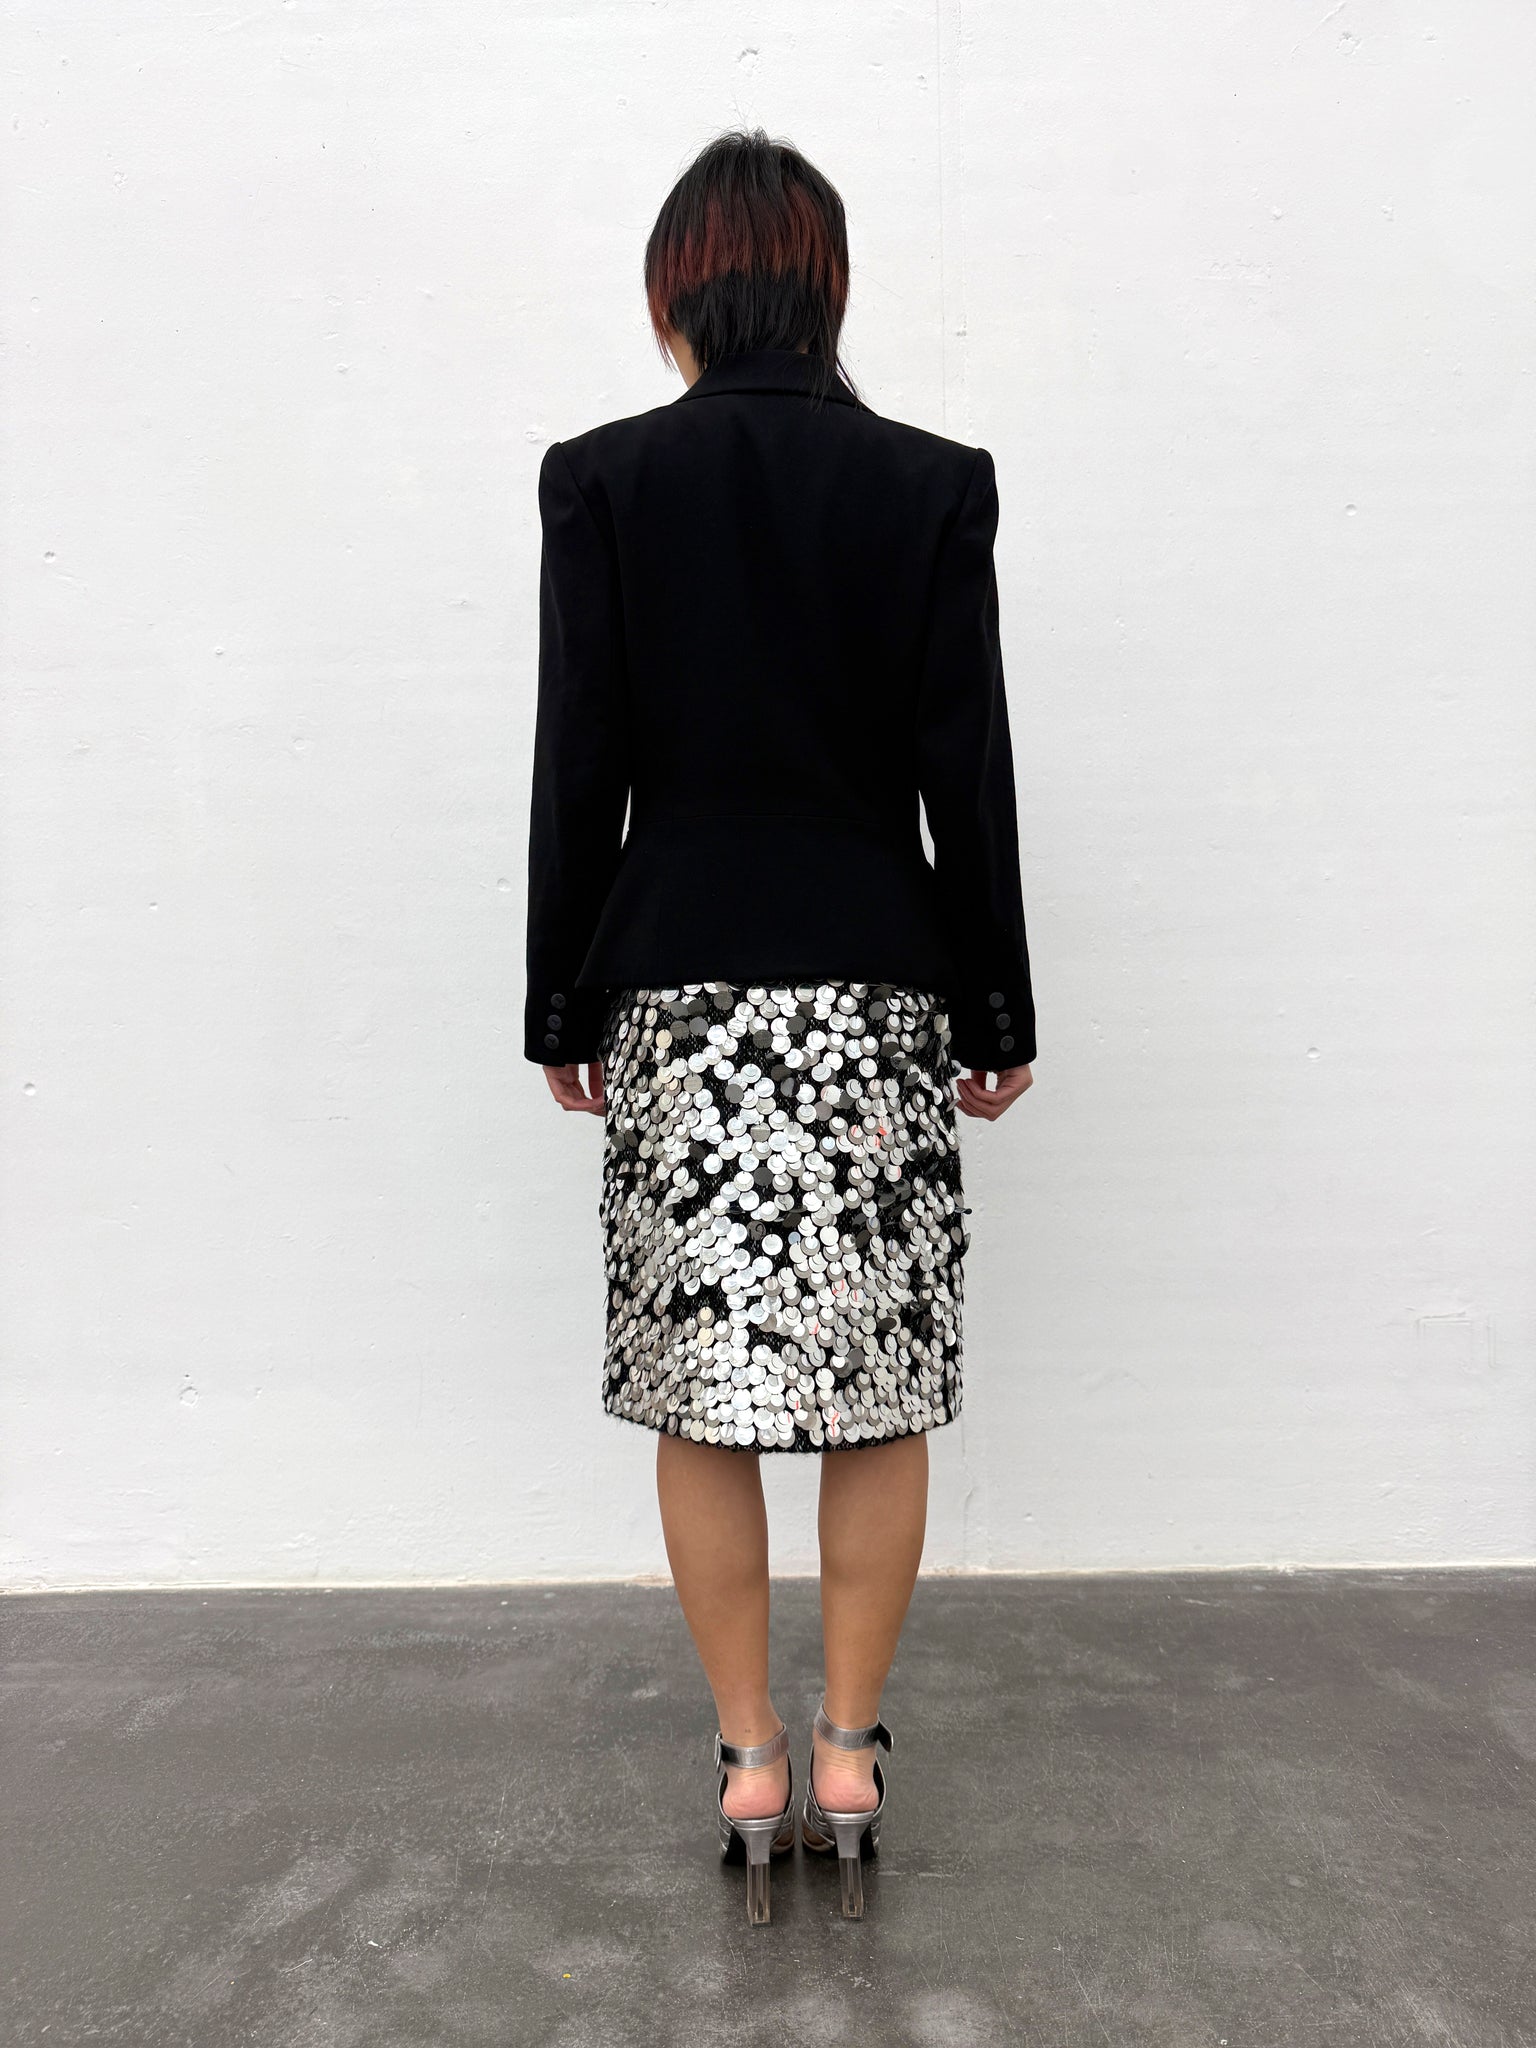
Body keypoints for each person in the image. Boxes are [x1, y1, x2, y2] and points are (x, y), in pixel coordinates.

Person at [523, 127, 1036, 1924]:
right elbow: (966, 774)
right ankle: (848, 1749)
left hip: (677, 987)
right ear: (828, 289)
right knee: (877, 1395)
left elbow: (581, 762)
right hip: (877, 987)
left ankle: (747, 1753)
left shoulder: (600, 482)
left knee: (706, 1396)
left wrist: (560, 994)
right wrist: (996, 999)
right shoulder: (930, 486)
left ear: (677, 293)